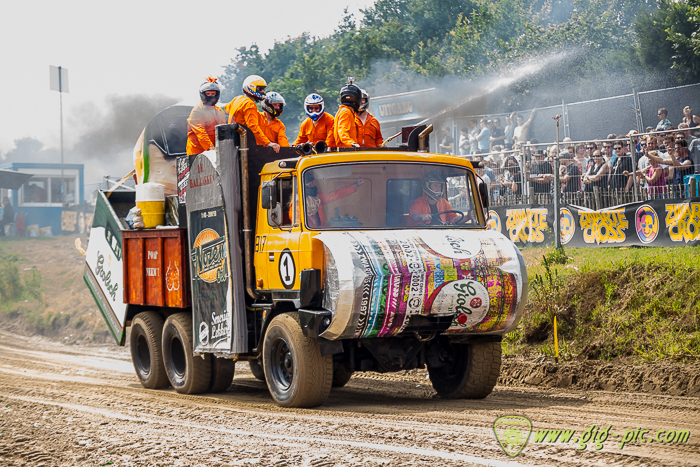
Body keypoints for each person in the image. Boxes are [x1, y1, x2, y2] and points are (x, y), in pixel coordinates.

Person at [224, 75, 281, 153]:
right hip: (243, 143)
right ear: (251, 88)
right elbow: (253, 127)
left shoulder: (237, 99)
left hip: (232, 140)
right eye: (260, 89)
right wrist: (268, 143)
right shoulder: (250, 104)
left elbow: (227, 109)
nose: (263, 92)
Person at [186, 78, 228, 155]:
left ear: (217, 94)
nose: (211, 96)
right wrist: (211, 149)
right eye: (208, 94)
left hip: (214, 151)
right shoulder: (197, 110)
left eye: (213, 94)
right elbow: (201, 133)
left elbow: (222, 131)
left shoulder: (220, 111)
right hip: (197, 151)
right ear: (203, 95)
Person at [332, 81, 362, 148]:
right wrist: (351, 143)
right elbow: (342, 130)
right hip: (347, 151)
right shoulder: (346, 112)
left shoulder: (345, 111)